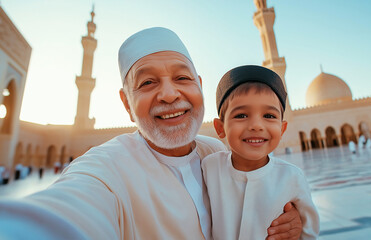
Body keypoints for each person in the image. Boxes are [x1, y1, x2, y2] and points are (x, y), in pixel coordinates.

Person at [0, 27, 303, 239]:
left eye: (182, 78)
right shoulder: (106, 169)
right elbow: (64, 213)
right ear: (126, 103)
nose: (170, 94)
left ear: (199, 84)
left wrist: (287, 224)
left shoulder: (219, 152)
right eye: (147, 83)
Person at [202, 65, 319, 239]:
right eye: (241, 115)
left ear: (282, 128)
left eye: (269, 116)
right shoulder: (210, 167)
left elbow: (309, 232)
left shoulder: (291, 177)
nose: (256, 125)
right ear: (220, 128)